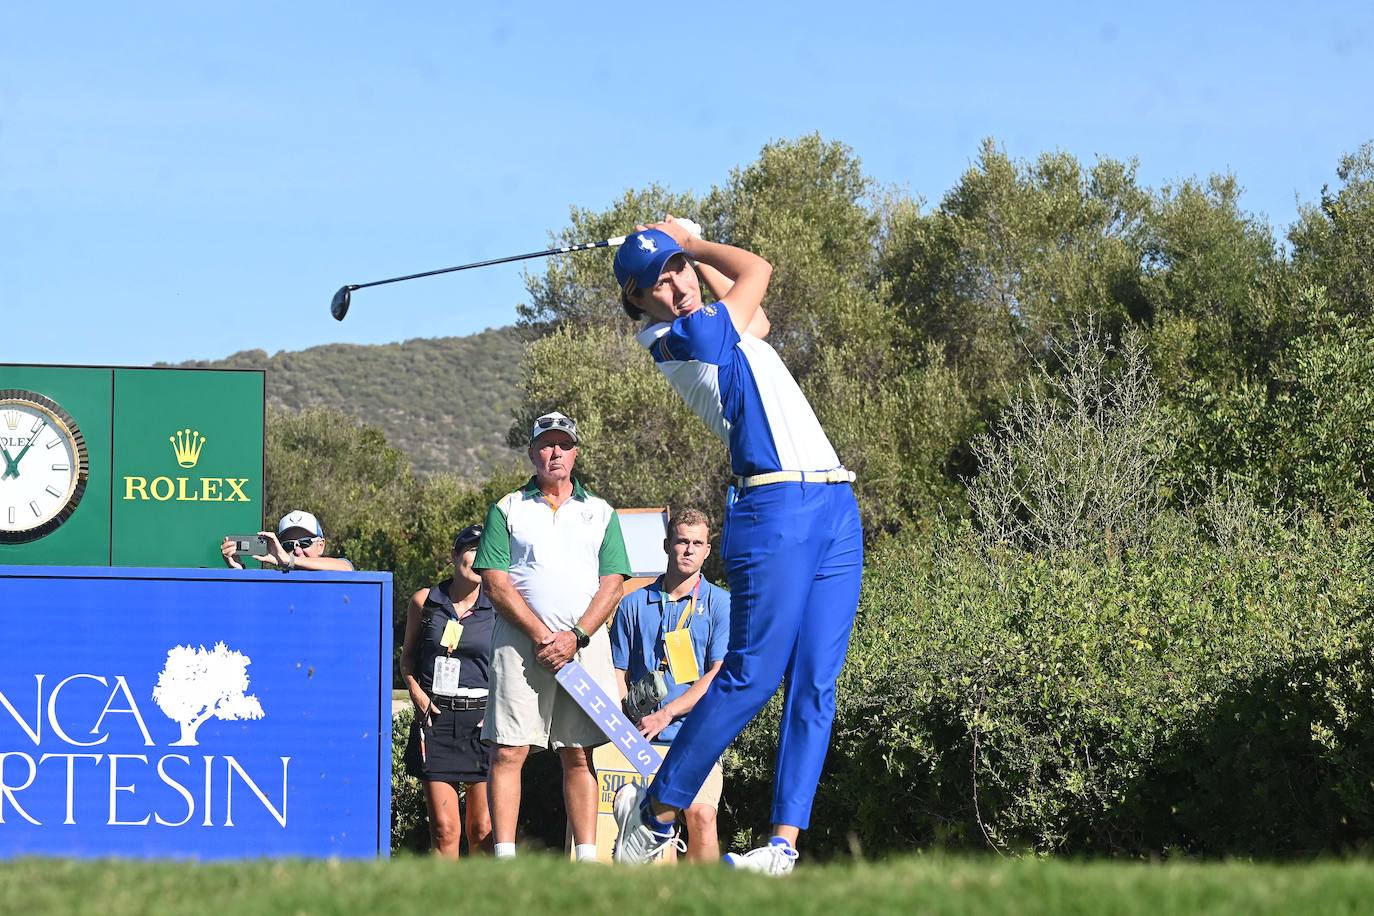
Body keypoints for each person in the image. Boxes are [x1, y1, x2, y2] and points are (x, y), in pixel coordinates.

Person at [610, 218, 863, 875]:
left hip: (834, 504)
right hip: (775, 508)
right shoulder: (683, 336)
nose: (674, 286)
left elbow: (762, 320)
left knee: (816, 683)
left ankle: (781, 847)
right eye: (655, 283)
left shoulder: (719, 322)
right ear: (637, 302)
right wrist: (690, 240)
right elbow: (759, 271)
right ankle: (657, 813)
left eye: (677, 272)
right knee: (752, 675)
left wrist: (683, 251)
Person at [472, 411, 632, 862]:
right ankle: (505, 860)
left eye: (563, 444)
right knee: (508, 750)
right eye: (546, 444)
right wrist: (545, 637)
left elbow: (613, 582)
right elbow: (496, 582)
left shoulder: (600, 511)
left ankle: (586, 859)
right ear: (532, 452)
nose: (555, 452)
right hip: (521, 646)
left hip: (583, 648)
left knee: (579, 754)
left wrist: (576, 635)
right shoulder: (507, 508)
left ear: (576, 452)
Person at [610, 507, 730, 862]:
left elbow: (718, 674)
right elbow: (617, 670)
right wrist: (625, 725)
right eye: (682, 542)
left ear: (708, 549)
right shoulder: (632, 603)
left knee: (701, 815)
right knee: (651, 833)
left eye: (697, 543)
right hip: (641, 738)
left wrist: (666, 714)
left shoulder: (720, 603)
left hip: (697, 735)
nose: (689, 550)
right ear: (667, 545)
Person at [399, 523, 495, 858]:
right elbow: (407, 658)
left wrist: (497, 709)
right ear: (454, 555)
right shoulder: (425, 601)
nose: (478, 558)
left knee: (482, 829)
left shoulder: (500, 606)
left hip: (483, 725)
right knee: (444, 829)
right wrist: (416, 692)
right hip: (435, 722)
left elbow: (512, 668)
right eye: (471, 549)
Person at [220, 509, 355, 572]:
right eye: (289, 545)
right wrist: (238, 570)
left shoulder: (337, 567)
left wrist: (289, 561)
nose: (297, 550)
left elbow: (346, 567)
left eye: (304, 543)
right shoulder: (278, 578)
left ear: (321, 546)